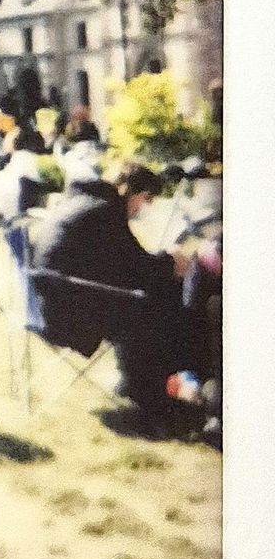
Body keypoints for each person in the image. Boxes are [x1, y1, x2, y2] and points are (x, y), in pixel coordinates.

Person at [29, 156, 194, 416]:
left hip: (47, 304)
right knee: (162, 301)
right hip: (67, 315)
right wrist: (171, 261)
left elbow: (121, 265)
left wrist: (162, 264)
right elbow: (134, 267)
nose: (142, 208)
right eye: (146, 199)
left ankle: (138, 383)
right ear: (135, 193)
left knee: (148, 297)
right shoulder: (104, 210)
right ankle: (151, 393)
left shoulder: (83, 200)